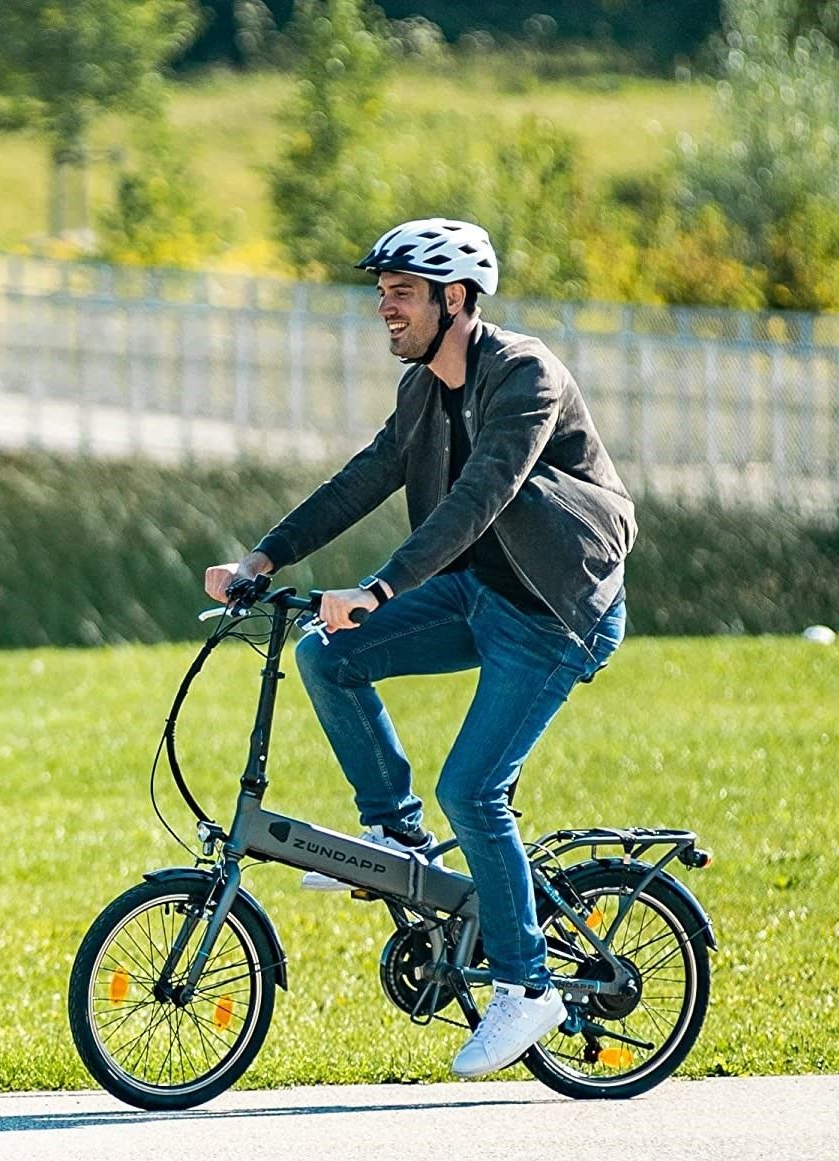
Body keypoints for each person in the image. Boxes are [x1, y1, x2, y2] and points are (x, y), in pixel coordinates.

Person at [204, 218, 635, 1079]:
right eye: (382, 294)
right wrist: (262, 557)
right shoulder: (422, 393)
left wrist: (383, 587)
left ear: (456, 298)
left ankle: (528, 985)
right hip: (481, 594)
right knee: (328, 652)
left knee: (474, 789)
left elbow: (484, 493)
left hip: (554, 615)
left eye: (401, 293)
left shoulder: (525, 376)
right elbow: (363, 478)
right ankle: (399, 841)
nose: (385, 309)